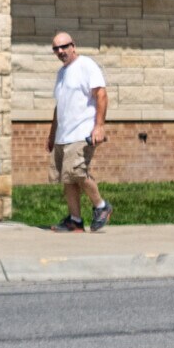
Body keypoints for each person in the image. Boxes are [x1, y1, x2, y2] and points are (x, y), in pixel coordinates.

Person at [46, 31, 111, 231]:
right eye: (56, 48)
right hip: (63, 135)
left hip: (82, 132)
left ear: (73, 45)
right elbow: (60, 106)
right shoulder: (61, 73)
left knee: (78, 172)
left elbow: (101, 94)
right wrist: (52, 134)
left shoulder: (86, 65)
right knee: (67, 178)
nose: (60, 51)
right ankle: (75, 221)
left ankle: (101, 206)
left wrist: (99, 126)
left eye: (64, 46)